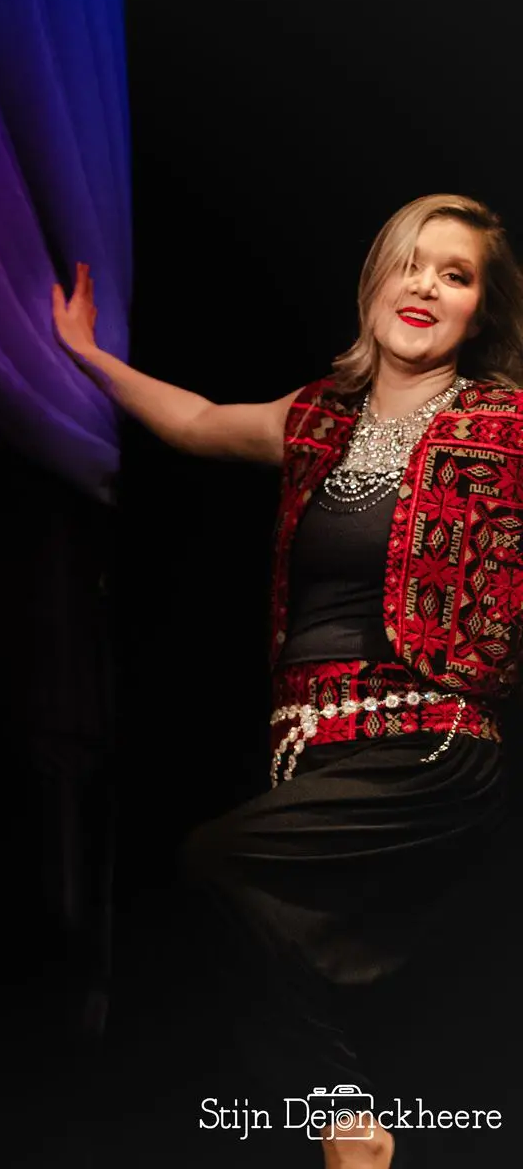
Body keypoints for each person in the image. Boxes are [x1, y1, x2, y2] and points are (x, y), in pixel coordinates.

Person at [53, 194, 518, 1168]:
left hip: (428, 744)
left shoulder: (506, 425)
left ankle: (348, 1127)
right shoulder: (316, 420)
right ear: (375, 283)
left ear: (481, 310)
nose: (426, 285)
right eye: (410, 263)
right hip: (310, 752)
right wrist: (88, 356)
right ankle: (352, 1128)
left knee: (216, 861)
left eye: (456, 274)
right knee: (258, 938)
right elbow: (198, 421)